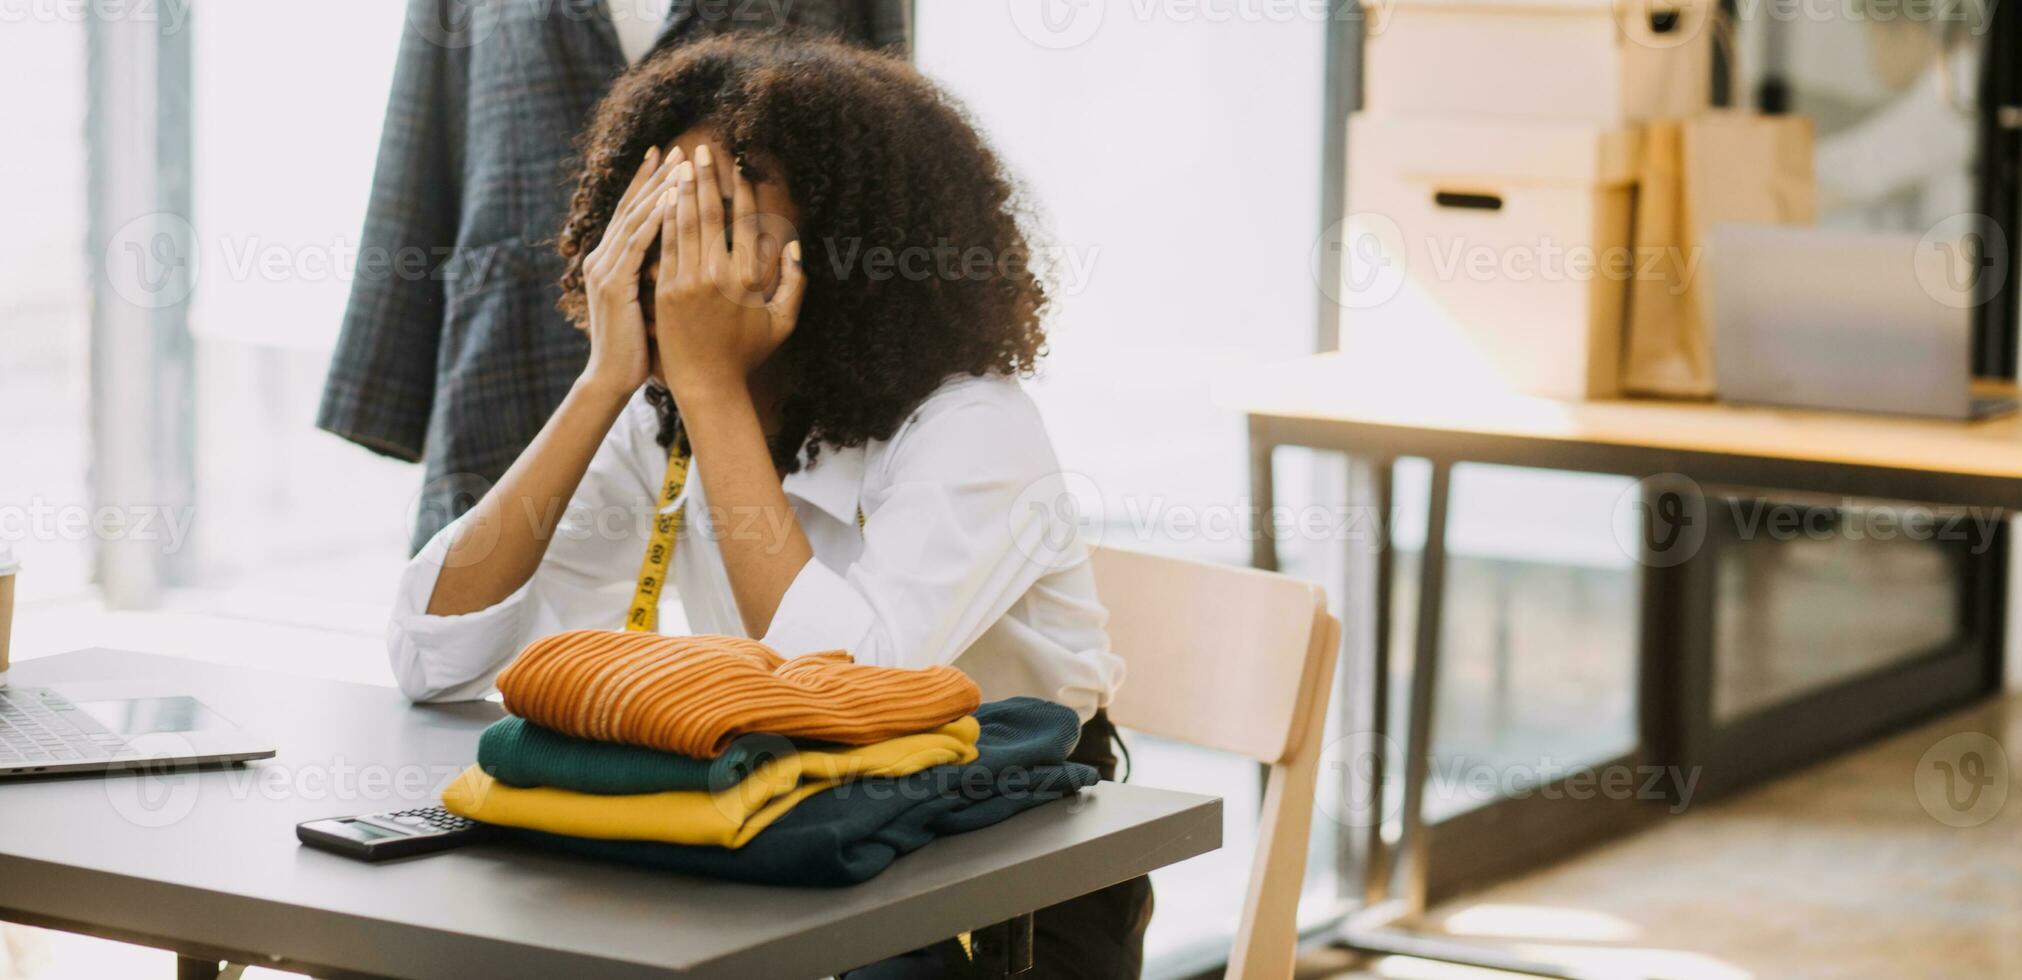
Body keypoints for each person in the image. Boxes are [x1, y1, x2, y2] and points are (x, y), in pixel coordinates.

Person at [385, 34, 1147, 977]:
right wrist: (604, 381)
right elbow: (434, 658)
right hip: (795, 827)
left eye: (730, 211)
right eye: (670, 206)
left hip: (1011, 870)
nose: (687, 248)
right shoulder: (659, 422)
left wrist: (710, 387)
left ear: (848, 246)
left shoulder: (975, 427)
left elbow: (836, 694)